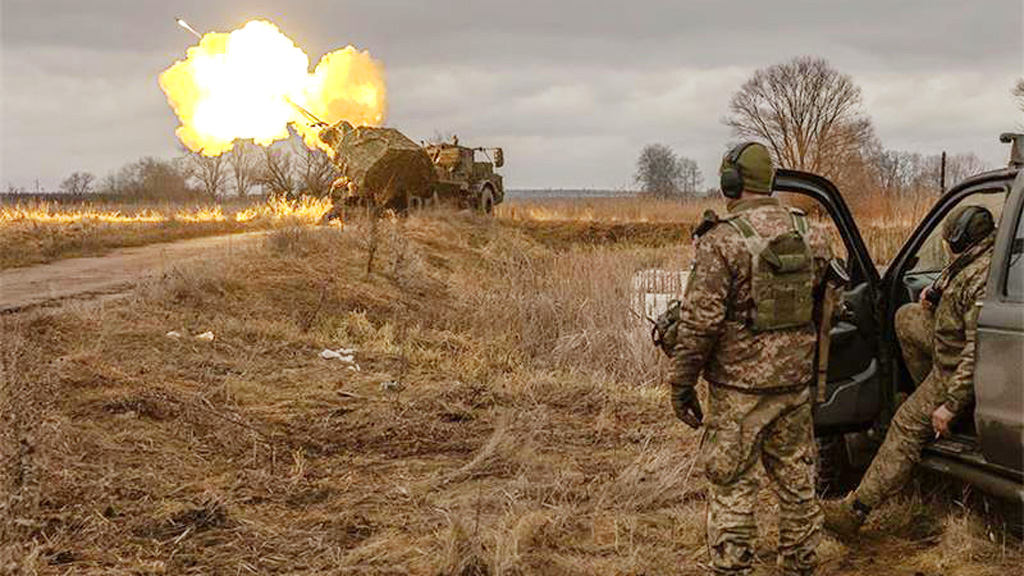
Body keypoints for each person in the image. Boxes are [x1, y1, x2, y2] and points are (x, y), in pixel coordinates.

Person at [669, 142, 834, 575]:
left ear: (731, 182)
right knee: (797, 485)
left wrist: (681, 384)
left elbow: (699, 324)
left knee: (732, 486)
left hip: (738, 392)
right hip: (794, 386)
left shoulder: (722, 240)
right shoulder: (812, 234)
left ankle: (733, 568)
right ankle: (799, 566)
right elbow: (826, 306)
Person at [822, 205, 996, 537]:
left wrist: (950, 403)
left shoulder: (981, 280)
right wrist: (936, 294)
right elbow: (954, 283)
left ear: (959, 239)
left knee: (903, 425)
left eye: (948, 239)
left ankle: (855, 510)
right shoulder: (979, 258)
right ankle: (927, 396)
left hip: (957, 368)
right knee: (906, 316)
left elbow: (977, 352)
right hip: (950, 347)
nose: (946, 245)